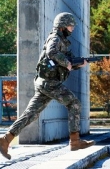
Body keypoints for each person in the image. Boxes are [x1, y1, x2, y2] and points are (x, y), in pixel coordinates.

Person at [0, 12, 93, 160]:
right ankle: (75, 141)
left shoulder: (63, 41)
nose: (72, 28)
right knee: (74, 103)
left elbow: (63, 63)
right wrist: (67, 63)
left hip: (45, 82)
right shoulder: (55, 38)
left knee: (30, 114)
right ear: (62, 26)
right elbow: (51, 52)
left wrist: (79, 63)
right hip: (49, 83)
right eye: (70, 25)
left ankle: (5, 140)